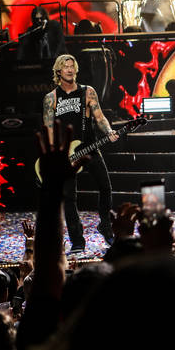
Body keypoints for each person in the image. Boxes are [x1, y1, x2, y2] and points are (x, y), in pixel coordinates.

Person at [41, 54, 117, 253]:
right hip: (66, 154)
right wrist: (54, 157)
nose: (70, 69)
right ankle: (77, 241)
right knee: (69, 199)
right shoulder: (51, 98)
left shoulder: (87, 92)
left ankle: (106, 226)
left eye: (72, 66)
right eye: (65, 66)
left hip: (89, 147)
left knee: (105, 187)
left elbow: (100, 117)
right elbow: (49, 130)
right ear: (59, 71)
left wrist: (108, 132)